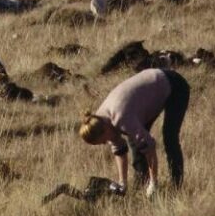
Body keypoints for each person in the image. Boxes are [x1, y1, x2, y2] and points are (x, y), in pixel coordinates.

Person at [78, 68, 190, 198]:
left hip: (173, 85)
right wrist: (122, 183)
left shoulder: (121, 118)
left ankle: (176, 187)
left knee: (169, 137)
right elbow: (119, 150)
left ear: (104, 130)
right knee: (134, 140)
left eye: (103, 141)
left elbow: (150, 147)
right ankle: (142, 185)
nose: (105, 143)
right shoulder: (98, 120)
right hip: (146, 95)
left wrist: (154, 182)